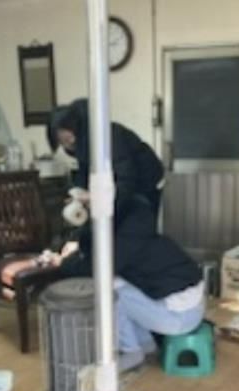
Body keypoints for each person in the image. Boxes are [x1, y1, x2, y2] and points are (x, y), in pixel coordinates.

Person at [52, 195, 205, 371]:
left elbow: (95, 267)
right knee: (122, 287)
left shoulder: (123, 247)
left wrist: (63, 262)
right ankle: (145, 345)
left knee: (111, 292)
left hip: (180, 317)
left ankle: (130, 351)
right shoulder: (137, 230)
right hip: (189, 308)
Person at [48, 98, 165, 219]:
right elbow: (86, 174)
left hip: (143, 188)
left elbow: (126, 179)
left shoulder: (110, 137)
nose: (69, 143)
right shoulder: (84, 143)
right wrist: (80, 197)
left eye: (67, 139)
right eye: (63, 142)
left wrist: (96, 199)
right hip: (127, 190)